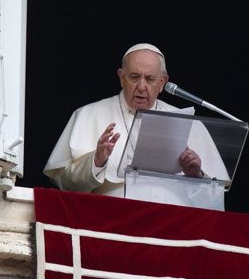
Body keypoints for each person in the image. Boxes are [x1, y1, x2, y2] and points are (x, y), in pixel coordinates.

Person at [43, 43, 204, 196]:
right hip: (110, 218)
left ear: (162, 82)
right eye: (134, 77)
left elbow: (211, 196)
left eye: (149, 79)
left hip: (170, 219)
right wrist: (96, 161)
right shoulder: (89, 114)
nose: (141, 86)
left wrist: (195, 174)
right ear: (121, 77)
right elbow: (63, 183)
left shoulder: (183, 118)